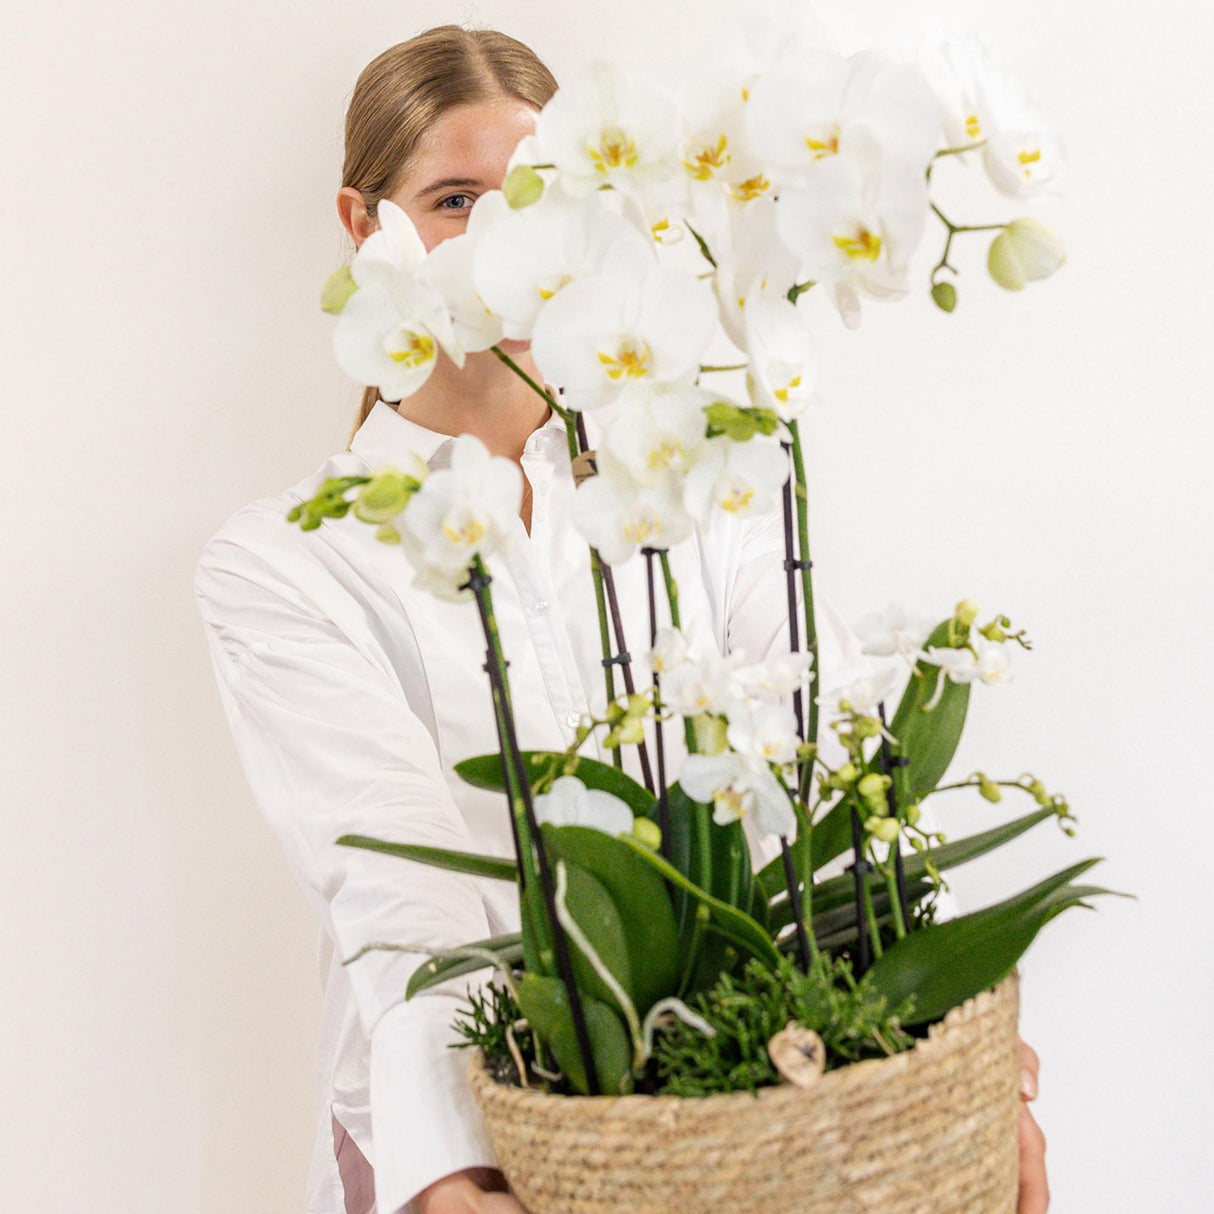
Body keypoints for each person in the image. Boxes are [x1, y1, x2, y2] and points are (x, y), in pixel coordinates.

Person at [194, 24, 1049, 1214]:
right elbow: (395, 890)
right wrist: (448, 1170)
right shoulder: (288, 559)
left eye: (543, 196)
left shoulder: (698, 474)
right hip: (498, 1123)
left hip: (762, 1110)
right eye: (454, 200)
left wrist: (946, 1056)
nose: (506, 247)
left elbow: (825, 766)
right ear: (361, 225)